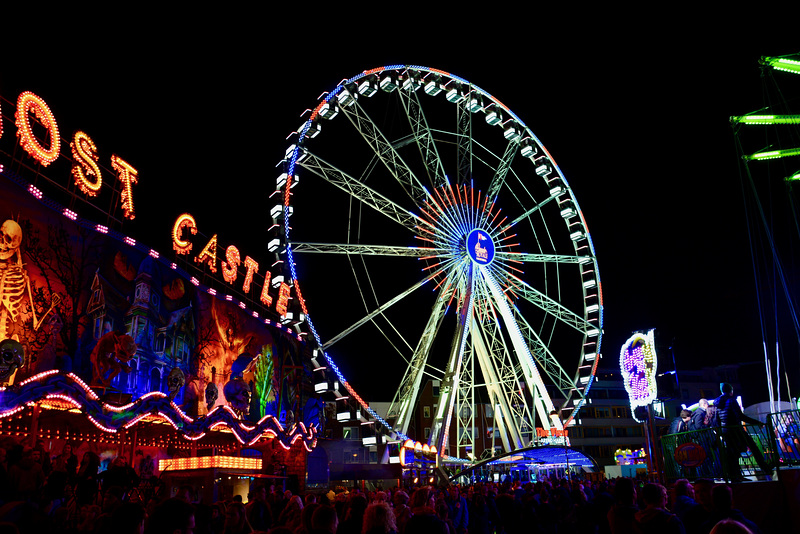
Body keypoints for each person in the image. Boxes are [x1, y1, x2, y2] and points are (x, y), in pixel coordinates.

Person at [714, 383, 771, 481]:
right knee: (753, 447)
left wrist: (720, 431)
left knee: (733, 454)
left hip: (726, 431)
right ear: (731, 391)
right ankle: (765, 468)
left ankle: (735, 476)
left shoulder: (718, 404)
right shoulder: (732, 401)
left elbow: (717, 419)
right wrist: (756, 422)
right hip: (736, 429)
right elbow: (740, 416)